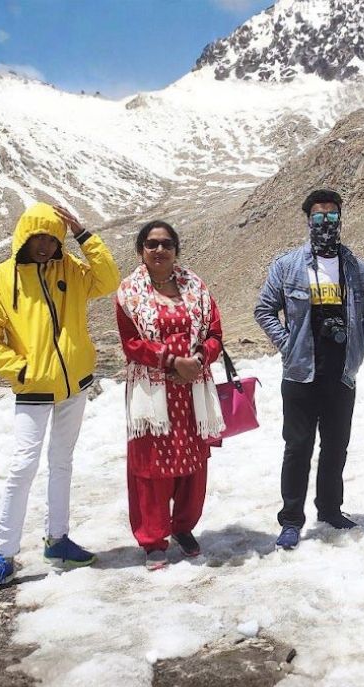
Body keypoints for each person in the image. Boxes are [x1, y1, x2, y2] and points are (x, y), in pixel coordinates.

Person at [0, 202, 120, 595]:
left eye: (53, 238)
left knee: (62, 463)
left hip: (75, 385)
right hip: (33, 388)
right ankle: (3, 555)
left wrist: (84, 233)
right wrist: (21, 370)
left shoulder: (70, 269)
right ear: (24, 236)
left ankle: (58, 540)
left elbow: (108, 280)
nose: (45, 245)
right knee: (22, 467)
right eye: (38, 237)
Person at [254, 189, 364, 550]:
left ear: (340, 219)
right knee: (297, 447)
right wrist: (287, 344)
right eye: (318, 218)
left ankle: (330, 509)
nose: (325, 224)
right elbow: (264, 309)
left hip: (341, 373)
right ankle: (291, 520)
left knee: (336, 446)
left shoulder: (356, 268)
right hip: (300, 374)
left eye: (331, 217)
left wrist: (358, 347)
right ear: (308, 221)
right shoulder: (287, 266)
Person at [116, 221, 225, 570]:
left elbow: (215, 334)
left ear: (176, 249)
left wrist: (199, 359)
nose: (159, 250)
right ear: (140, 251)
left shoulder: (196, 287)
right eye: (151, 244)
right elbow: (132, 343)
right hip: (153, 393)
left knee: (192, 464)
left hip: (192, 389)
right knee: (152, 468)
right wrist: (172, 362)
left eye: (166, 244)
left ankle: (183, 527)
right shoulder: (129, 293)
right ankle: (152, 539)